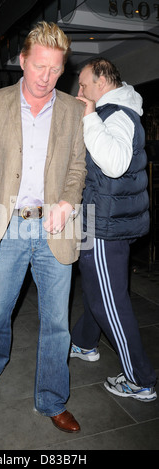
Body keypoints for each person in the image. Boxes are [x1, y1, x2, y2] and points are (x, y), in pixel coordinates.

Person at [0, 21, 86, 432]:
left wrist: (68, 202)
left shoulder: (71, 109)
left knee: (57, 322)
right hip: (5, 223)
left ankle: (52, 399)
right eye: (39, 67)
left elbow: (77, 168)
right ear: (22, 61)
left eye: (54, 70)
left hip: (54, 228)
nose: (45, 78)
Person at [70, 58, 157, 402]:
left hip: (105, 224)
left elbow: (116, 163)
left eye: (84, 84)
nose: (80, 91)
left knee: (110, 300)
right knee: (100, 291)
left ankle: (140, 378)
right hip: (106, 219)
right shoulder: (115, 111)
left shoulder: (116, 114)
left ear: (103, 80)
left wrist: (89, 116)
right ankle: (83, 342)